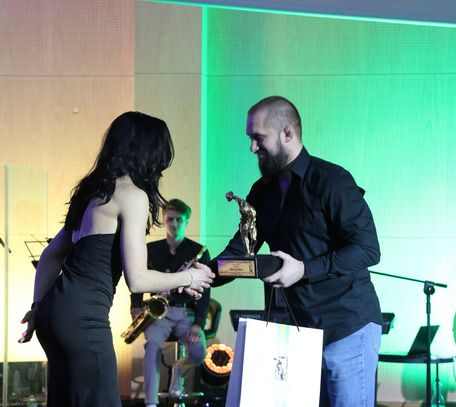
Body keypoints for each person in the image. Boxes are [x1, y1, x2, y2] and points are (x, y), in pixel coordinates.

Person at [18, 112, 214, 407]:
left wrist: (37, 308)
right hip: (84, 320)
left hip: (53, 314)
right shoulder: (133, 195)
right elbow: (138, 278)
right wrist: (190, 277)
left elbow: (51, 255)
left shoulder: (92, 193)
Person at [216, 96, 382, 407]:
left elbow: (368, 249)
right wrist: (202, 274)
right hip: (297, 335)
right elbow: (241, 250)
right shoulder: (261, 191)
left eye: (258, 138)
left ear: (288, 133)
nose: (252, 147)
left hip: (346, 326)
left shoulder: (333, 181)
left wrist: (304, 269)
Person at [130, 198, 210, 407]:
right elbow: (137, 277)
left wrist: (198, 324)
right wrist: (136, 305)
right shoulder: (150, 249)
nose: (174, 224)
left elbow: (206, 292)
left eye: (179, 220)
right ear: (164, 221)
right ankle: (151, 403)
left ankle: (179, 370)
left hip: (186, 313)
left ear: (186, 221)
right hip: (159, 313)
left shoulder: (198, 251)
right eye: (170, 219)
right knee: (152, 347)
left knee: (198, 352)